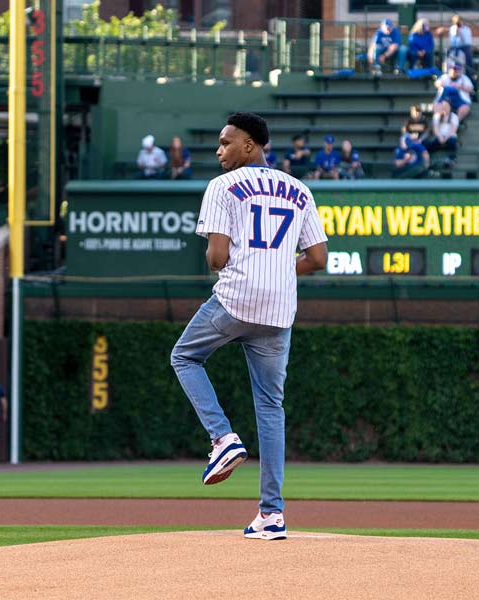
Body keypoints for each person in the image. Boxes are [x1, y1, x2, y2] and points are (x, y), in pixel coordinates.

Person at [170, 112, 328, 541]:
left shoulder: (221, 187)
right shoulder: (299, 189)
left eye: (226, 142)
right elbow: (317, 259)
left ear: (250, 145)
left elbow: (217, 258)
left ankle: (222, 438)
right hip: (279, 308)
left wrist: (225, 262)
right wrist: (278, 269)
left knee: (184, 356)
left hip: (237, 297)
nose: (220, 150)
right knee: (271, 407)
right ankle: (272, 515)